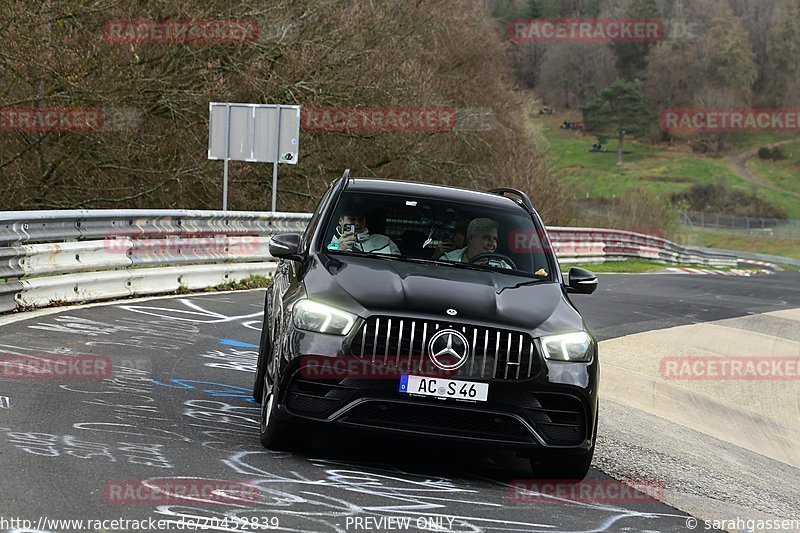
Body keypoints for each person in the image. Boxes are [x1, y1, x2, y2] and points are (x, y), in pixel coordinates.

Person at [438, 218, 511, 268]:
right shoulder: (448, 261)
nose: (492, 244)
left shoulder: (503, 267)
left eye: (494, 239)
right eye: (486, 238)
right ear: (471, 238)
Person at [329, 212, 400, 255]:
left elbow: (398, 267)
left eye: (360, 219)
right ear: (341, 220)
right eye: (352, 219)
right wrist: (340, 250)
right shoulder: (326, 241)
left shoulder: (385, 242)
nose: (357, 223)